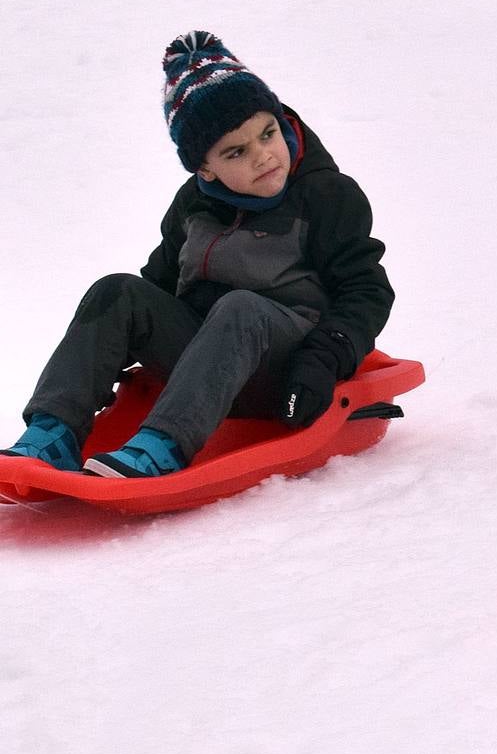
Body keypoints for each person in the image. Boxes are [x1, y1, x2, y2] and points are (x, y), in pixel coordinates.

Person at [0, 31, 394, 478]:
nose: (263, 156)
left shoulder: (326, 196)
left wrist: (324, 360)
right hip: (205, 363)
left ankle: (164, 445)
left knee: (240, 306)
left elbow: (367, 291)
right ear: (205, 167)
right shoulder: (194, 204)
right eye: (237, 152)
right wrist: (110, 353)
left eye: (268, 133)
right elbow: (156, 290)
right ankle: (53, 434)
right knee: (117, 292)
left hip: (291, 368)